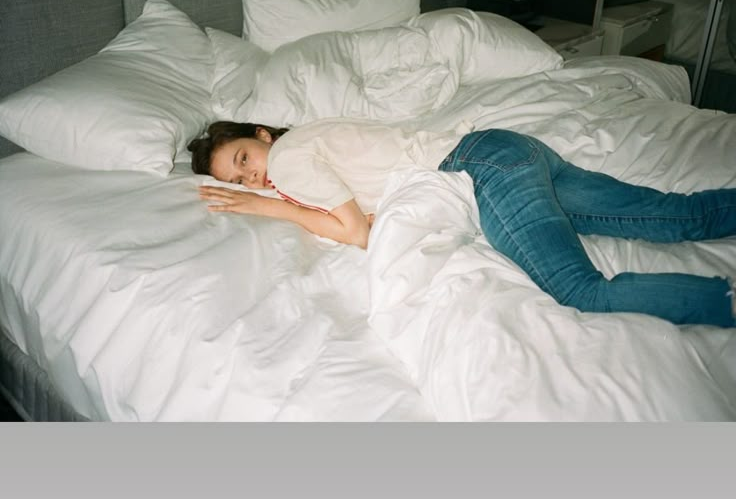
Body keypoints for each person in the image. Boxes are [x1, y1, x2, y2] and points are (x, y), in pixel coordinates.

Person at [188, 118, 736, 329]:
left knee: (577, 291)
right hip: (505, 148)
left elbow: (360, 235)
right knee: (671, 213)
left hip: (481, 171)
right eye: (238, 184)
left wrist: (276, 209)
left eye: (242, 161)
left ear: (261, 135)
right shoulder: (311, 137)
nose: (251, 181)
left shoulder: (287, 160)